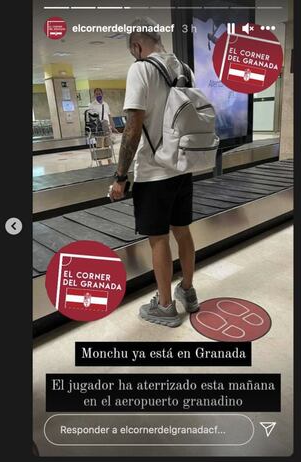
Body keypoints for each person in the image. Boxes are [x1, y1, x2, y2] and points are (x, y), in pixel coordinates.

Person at [110, 17, 199, 328]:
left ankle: (164, 307)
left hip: (154, 173)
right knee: (183, 231)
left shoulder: (140, 68)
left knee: (158, 239)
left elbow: (132, 129)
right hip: (182, 168)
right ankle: (187, 292)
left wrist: (120, 176)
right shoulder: (184, 68)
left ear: (136, 46)